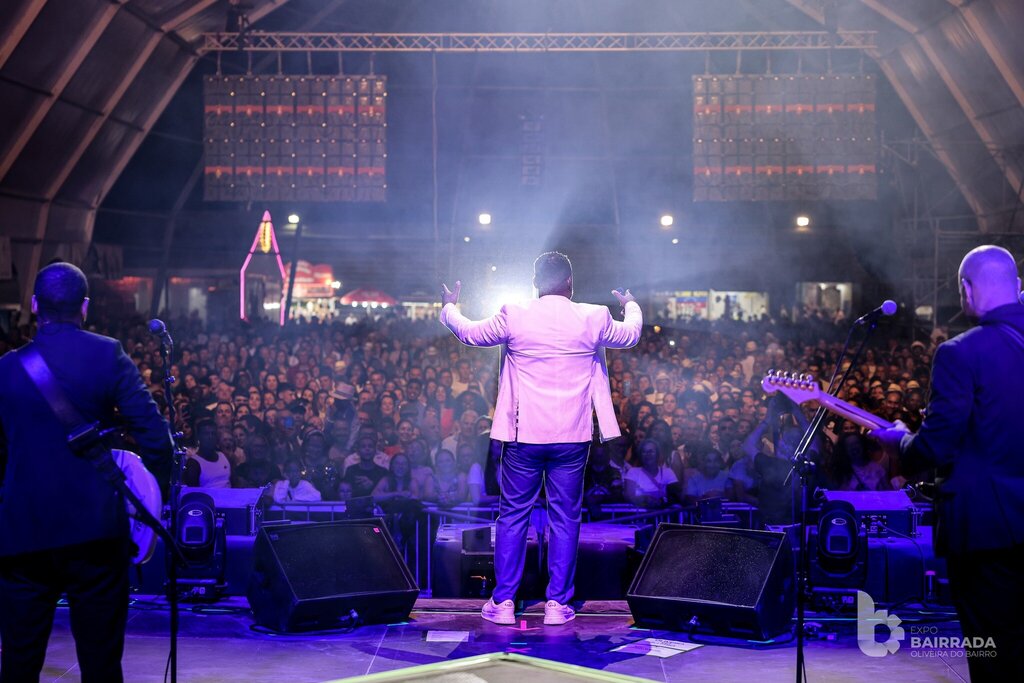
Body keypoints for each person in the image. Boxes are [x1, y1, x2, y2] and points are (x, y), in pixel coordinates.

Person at [440, 251, 641, 626]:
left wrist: (450, 307)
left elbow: (469, 332)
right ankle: (557, 604)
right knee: (565, 519)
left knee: (513, 517)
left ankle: (503, 602)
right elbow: (630, 334)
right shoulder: (593, 316)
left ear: (535, 283)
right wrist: (630, 305)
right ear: (570, 283)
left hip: (522, 437)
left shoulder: (515, 313)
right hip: (572, 437)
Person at [0, 262, 173, 682]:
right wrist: (156, 496)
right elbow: (155, 439)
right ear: (85, 307)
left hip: (23, 532)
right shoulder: (108, 353)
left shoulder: (6, 367)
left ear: (34, 304)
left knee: (18, 662)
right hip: (94, 531)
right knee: (100, 662)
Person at [872, 245, 1024, 680]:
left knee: (993, 651)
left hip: (988, 531)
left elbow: (934, 448)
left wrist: (899, 442)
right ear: (1016, 286)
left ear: (966, 289)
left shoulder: (961, 353)